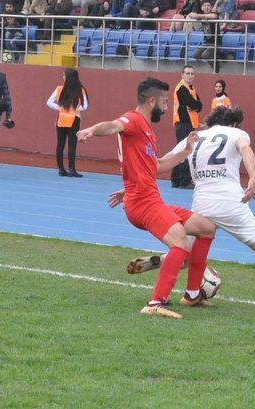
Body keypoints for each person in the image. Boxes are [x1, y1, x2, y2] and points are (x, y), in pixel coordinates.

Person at [128, 106, 255, 314]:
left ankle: (173, 271)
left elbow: (157, 165)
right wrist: (252, 177)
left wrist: (132, 188)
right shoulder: (237, 133)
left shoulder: (195, 137)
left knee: (185, 252)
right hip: (233, 203)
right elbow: (245, 149)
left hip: (202, 203)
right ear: (233, 123)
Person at [77, 77, 217, 319]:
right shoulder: (133, 120)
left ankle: (192, 294)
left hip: (146, 197)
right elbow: (112, 125)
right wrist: (91, 129)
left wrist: (186, 151)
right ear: (151, 100)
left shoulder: (147, 130)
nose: (166, 107)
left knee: (206, 228)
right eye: (164, 101)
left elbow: (157, 166)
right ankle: (155, 303)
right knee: (180, 242)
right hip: (142, 202)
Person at [46, 68, 88, 177]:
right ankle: (71, 169)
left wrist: (60, 108)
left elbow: (49, 102)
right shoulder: (81, 90)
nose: (62, 77)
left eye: (64, 75)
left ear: (68, 77)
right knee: (72, 144)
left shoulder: (59, 89)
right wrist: (74, 109)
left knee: (60, 144)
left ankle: (61, 169)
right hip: (74, 119)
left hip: (61, 119)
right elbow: (85, 106)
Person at [171, 65, 202, 189]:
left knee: (180, 150)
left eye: (192, 74)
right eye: (187, 73)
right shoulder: (182, 88)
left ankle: (175, 179)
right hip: (184, 123)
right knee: (186, 151)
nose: (190, 76)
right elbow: (193, 103)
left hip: (189, 123)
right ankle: (184, 181)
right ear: (182, 75)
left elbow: (198, 105)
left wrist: (197, 105)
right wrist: (196, 105)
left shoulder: (191, 88)